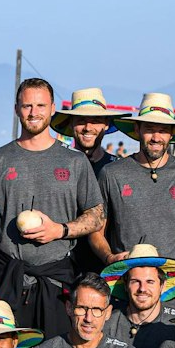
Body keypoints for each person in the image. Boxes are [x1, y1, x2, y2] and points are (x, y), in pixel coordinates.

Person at [0, 77, 106, 341]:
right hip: (8, 274)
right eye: (27, 106)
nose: (34, 113)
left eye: (40, 105)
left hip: (57, 278)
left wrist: (60, 230)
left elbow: (97, 216)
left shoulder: (74, 161)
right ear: (16, 109)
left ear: (53, 108)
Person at [94, 92, 175, 295]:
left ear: (172, 133)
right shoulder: (113, 173)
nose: (156, 137)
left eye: (163, 130)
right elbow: (96, 232)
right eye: (149, 129)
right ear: (137, 129)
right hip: (126, 287)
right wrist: (108, 258)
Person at [52, 87, 128, 281]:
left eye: (95, 120)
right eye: (80, 121)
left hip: (107, 267)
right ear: (71, 124)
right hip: (60, 266)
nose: (88, 127)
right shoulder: (55, 164)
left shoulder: (119, 169)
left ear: (105, 125)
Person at [102, 244, 175, 348]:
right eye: (135, 281)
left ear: (162, 286)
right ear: (125, 285)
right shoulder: (108, 323)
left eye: (150, 282)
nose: (142, 289)